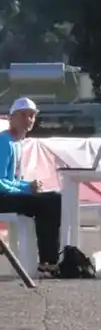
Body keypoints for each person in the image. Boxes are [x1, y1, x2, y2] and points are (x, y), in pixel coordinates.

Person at [0, 98, 61, 277]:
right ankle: (48, 262)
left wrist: (29, 185)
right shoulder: (4, 142)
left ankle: (48, 260)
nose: (28, 119)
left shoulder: (17, 142)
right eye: (23, 115)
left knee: (54, 198)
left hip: (7, 195)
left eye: (32, 115)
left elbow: (11, 180)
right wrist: (26, 190)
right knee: (49, 203)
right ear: (11, 118)